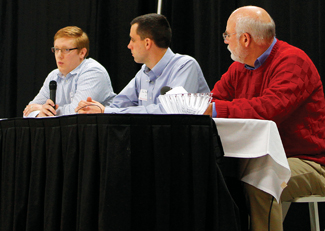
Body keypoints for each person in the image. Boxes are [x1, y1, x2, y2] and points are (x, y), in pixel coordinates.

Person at [204, 6, 325, 231]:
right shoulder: (239, 67)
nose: (225, 41)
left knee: (261, 183)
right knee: (217, 175)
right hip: (258, 156)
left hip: (310, 161)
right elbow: (214, 98)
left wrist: (216, 109)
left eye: (227, 36)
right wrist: (207, 106)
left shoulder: (293, 62)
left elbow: (269, 109)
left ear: (245, 39)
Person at [75, 13, 209, 114]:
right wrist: (94, 107)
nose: (129, 46)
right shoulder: (143, 73)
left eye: (132, 40)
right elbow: (118, 104)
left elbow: (169, 111)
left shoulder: (185, 66)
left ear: (147, 43)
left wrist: (106, 111)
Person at [23, 26, 116, 117]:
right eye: (56, 49)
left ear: (82, 53)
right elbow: (28, 111)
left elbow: (77, 112)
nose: (59, 55)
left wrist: (47, 112)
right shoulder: (53, 76)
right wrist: (39, 114)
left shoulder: (94, 72)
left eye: (66, 50)